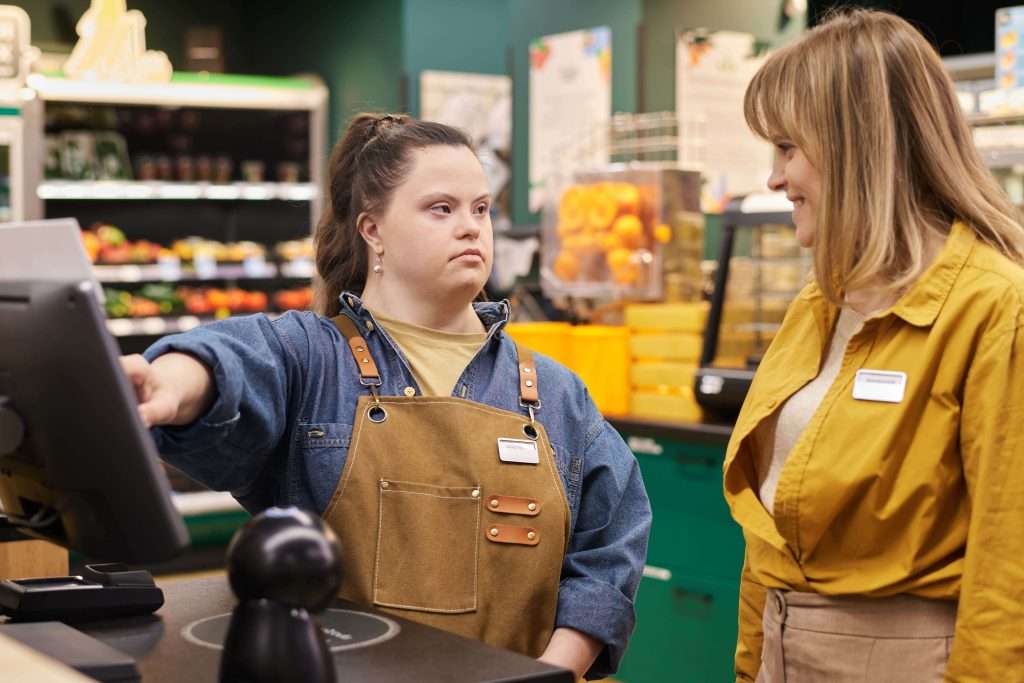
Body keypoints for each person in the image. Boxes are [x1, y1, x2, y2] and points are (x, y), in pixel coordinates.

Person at [120, 113, 650, 680]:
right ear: (372, 229)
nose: (471, 228)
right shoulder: (316, 360)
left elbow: (607, 554)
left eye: (481, 209)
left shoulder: (554, 394)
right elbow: (231, 359)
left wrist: (553, 673)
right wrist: (169, 384)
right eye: (441, 209)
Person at [724, 9, 1024, 683]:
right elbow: (767, 534)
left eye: (786, 149)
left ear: (853, 148)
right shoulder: (821, 303)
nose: (774, 180)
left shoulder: (995, 307)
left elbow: (1011, 559)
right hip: (784, 646)